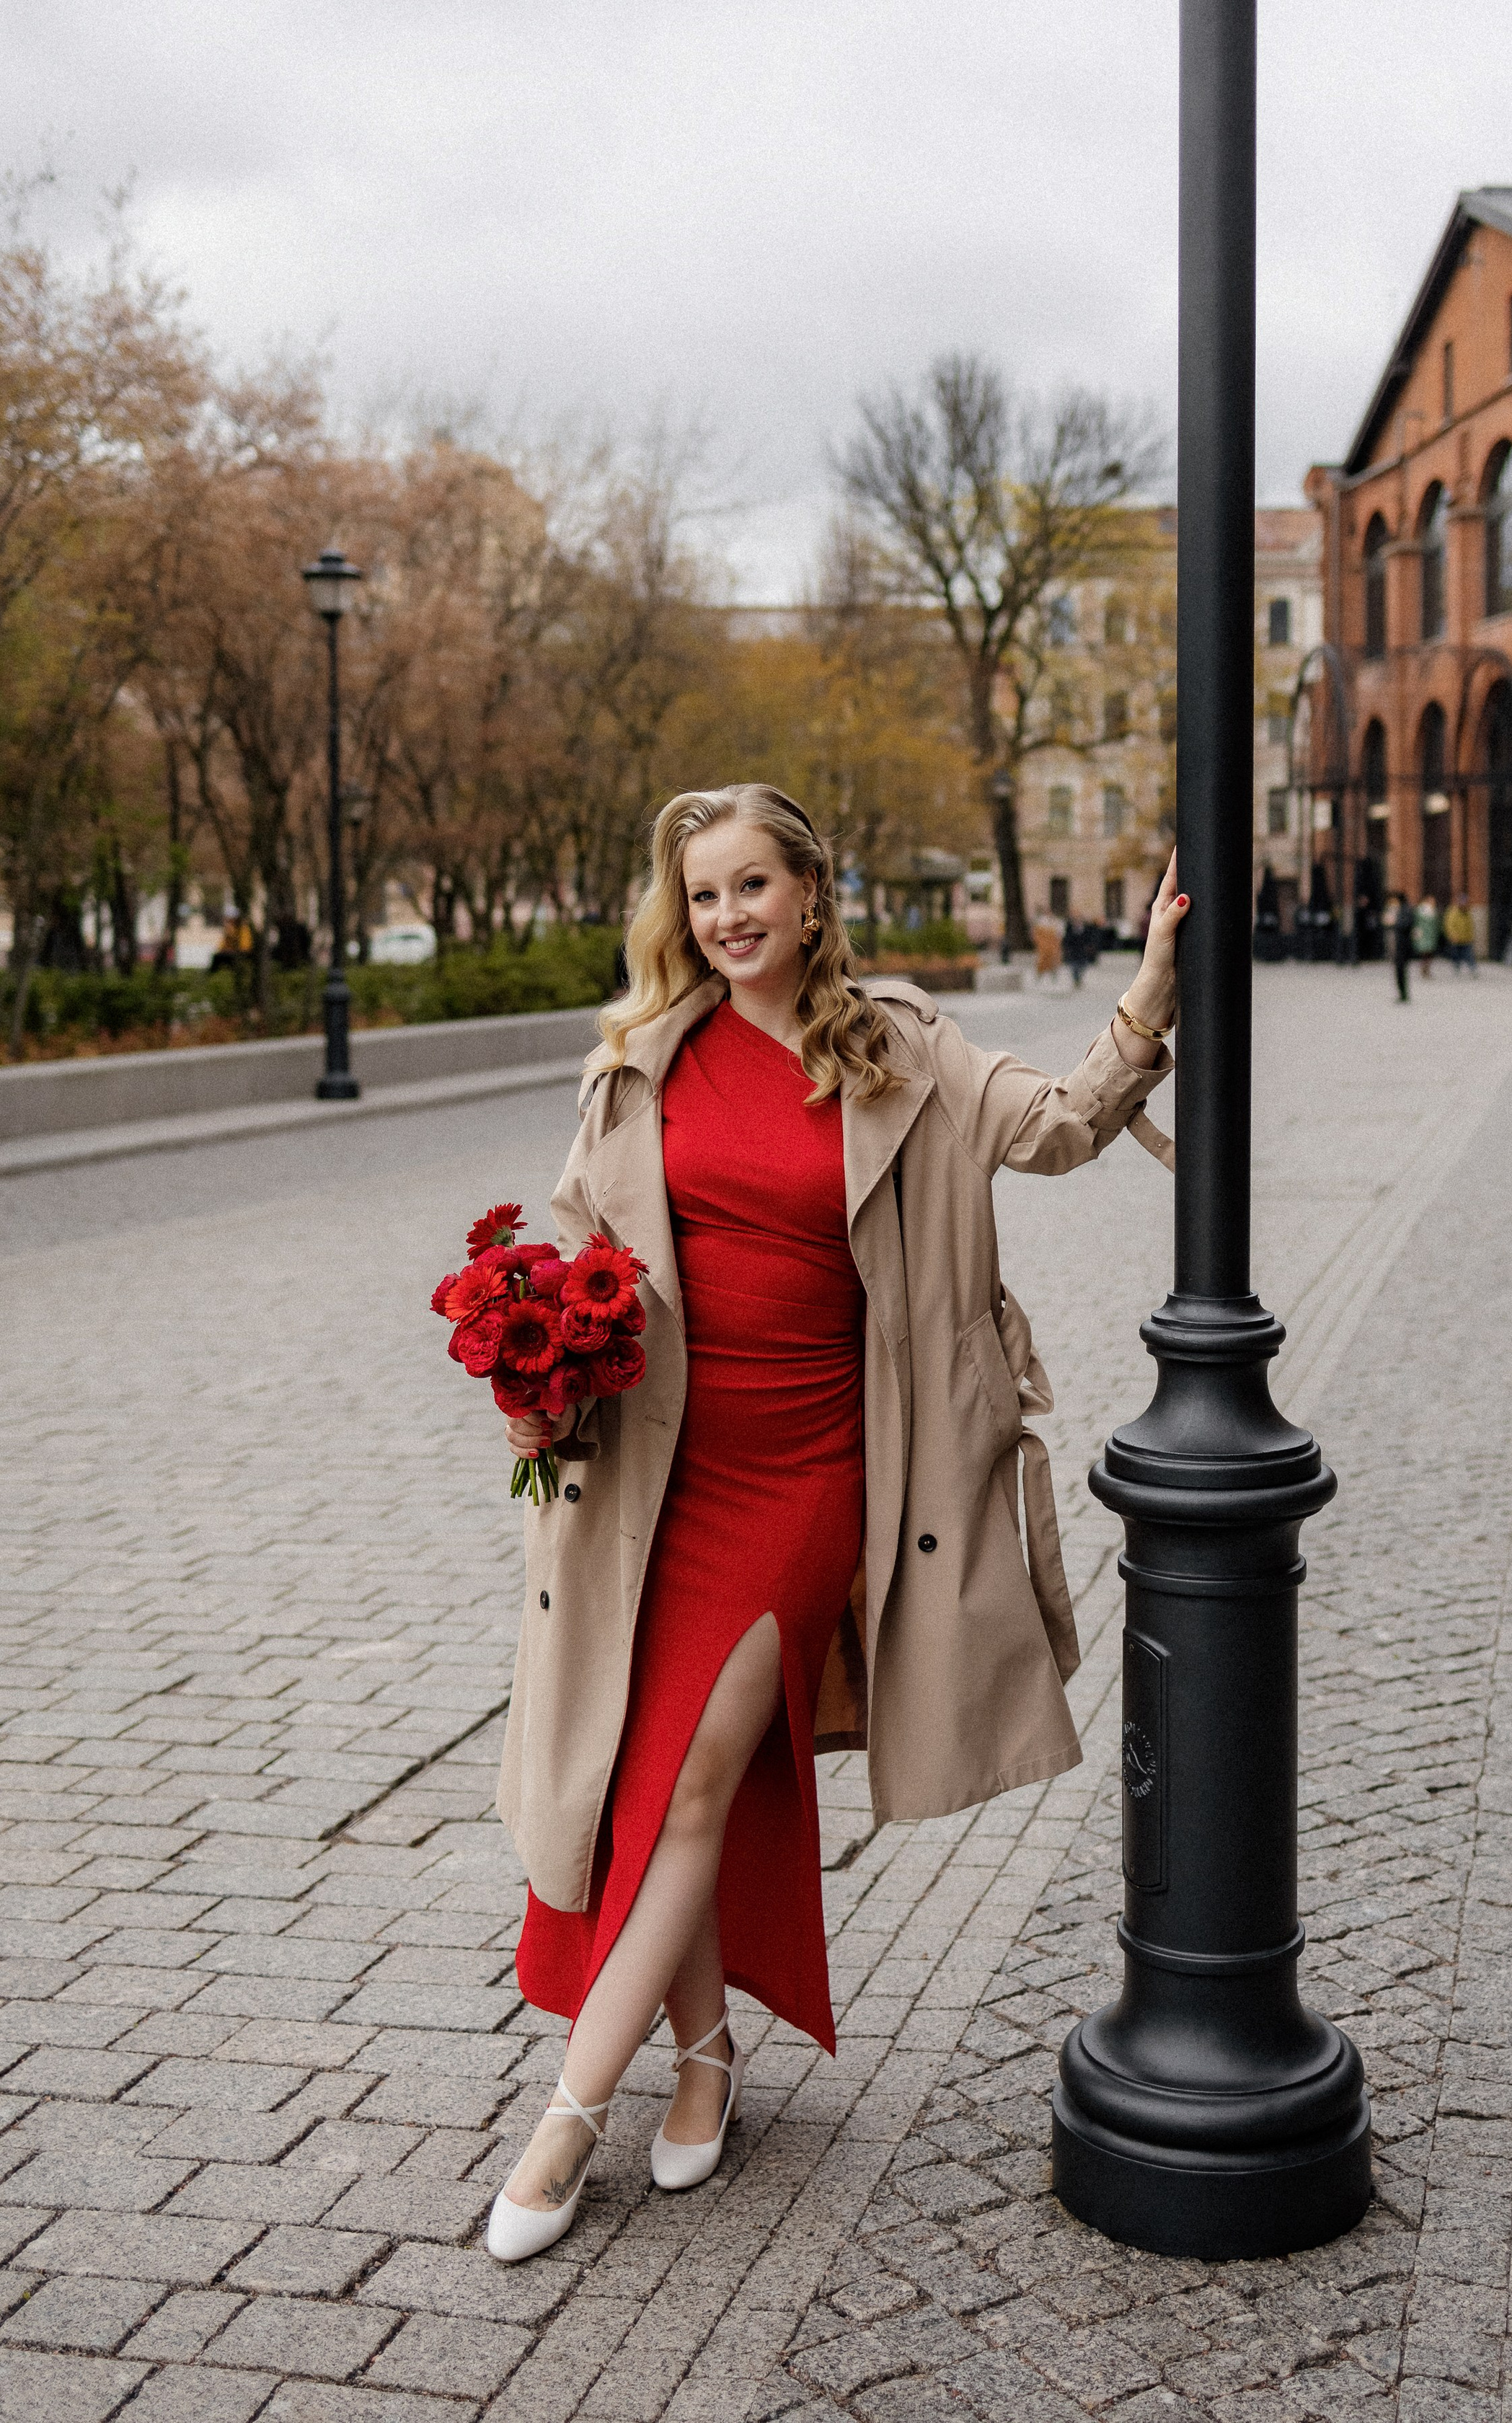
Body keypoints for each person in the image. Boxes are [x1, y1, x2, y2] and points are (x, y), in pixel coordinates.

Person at [483, 781, 1182, 2262]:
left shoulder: (899, 1050)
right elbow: (570, 1244)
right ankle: (705, 2057)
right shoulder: (638, 1065)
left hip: (808, 1477)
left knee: (685, 1784)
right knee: (672, 1775)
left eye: (752, 887)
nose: (727, 918)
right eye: (703, 896)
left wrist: (1144, 1000)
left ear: (810, 891)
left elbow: (1055, 1130)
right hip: (655, 1483)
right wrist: (530, 1359)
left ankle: (565, 2113)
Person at [1385, 891, 1410, 1003]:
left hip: (1403, 946)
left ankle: (1404, 994)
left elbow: (1406, 924)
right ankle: (1402, 994)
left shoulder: (1405, 910)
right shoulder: (1398, 910)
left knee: (1400, 970)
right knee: (1399, 971)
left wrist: (1394, 922)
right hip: (1398, 944)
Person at [1443, 896, 1477, 976]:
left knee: (1469, 954)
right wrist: (1452, 935)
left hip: (1466, 938)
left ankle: (1473, 968)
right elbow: (1450, 925)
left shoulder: (1468, 913)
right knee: (1456, 954)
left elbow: (1470, 926)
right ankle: (1456, 967)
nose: (1464, 905)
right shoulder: (1454, 912)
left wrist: (1471, 936)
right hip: (1456, 938)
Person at [1412, 894, 1441, 979]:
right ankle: (1424, 969)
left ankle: (1426, 969)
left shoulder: (1433, 910)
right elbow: (1417, 922)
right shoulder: (1421, 910)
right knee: (1424, 952)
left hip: (1431, 935)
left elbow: (1436, 924)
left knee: (1430, 952)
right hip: (1423, 934)